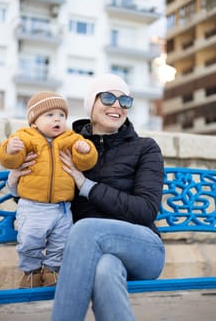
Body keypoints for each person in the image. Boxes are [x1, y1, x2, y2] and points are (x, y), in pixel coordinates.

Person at [8, 74, 165, 320]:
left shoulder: (146, 148)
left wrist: (85, 185)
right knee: (105, 270)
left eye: (125, 100)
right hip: (95, 254)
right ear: (91, 103)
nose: (117, 105)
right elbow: (47, 202)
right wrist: (15, 186)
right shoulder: (66, 145)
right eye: (108, 97)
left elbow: (145, 210)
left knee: (84, 229)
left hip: (143, 248)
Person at [0, 91, 98, 289]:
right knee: (29, 240)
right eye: (50, 115)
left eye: (61, 115)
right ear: (34, 121)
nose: (57, 119)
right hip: (32, 206)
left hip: (62, 208)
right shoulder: (25, 137)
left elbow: (85, 163)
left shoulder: (70, 138)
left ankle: (52, 271)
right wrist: (10, 150)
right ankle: (31, 272)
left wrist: (85, 151)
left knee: (61, 243)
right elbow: (11, 161)